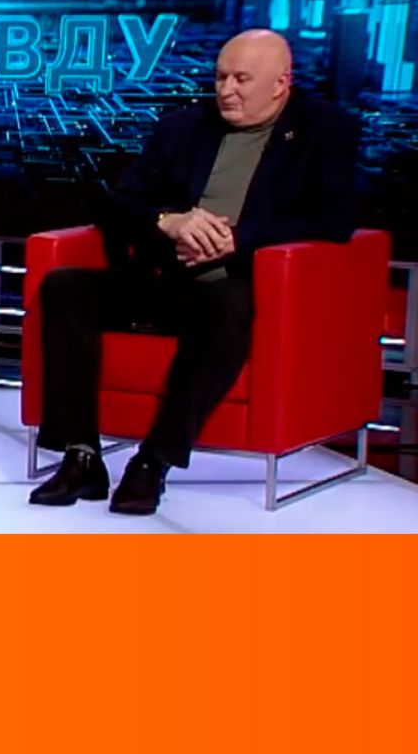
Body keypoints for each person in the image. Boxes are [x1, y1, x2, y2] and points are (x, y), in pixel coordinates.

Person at [29, 29, 360, 516]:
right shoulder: (183, 127)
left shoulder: (325, 131)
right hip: (165, 280)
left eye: (241, 79)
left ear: (280, 83)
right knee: (65, 287)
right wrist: (168, 220)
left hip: (239, 288)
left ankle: (153, 461)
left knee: (229, 304)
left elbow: (334, 220)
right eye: (220, 77)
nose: (226, 90)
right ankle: (82, 456)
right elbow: (118, 203)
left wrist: (240, 239)